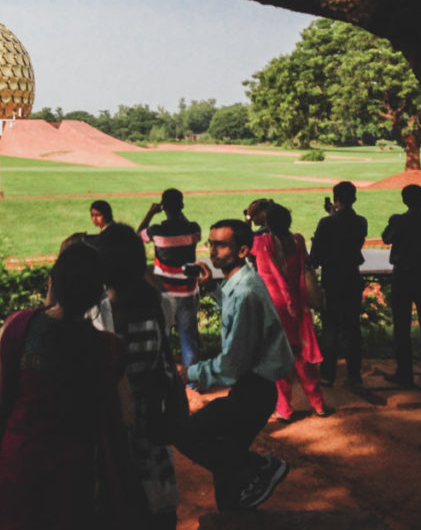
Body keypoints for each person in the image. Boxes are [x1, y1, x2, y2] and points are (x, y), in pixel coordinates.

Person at [0, 240, 138, 530]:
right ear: (97, 293)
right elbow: (125, 417)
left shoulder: (17, 326)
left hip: (17, 462)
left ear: (52, 282)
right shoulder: (110, 348)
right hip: (74, 472)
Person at [176, 220, 295, 511]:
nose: (212, 251)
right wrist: (213, 288)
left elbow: (231, 365)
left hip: (252, 391)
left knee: (188, 434)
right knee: (227, 463)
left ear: (242, 250)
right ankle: (236, 506)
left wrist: (187, 374)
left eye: (221, 245)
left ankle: (261, 467)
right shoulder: (242, 281)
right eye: (211, 243)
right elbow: (237, 317)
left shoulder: (245, 293)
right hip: (252, 389)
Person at [94, 224, 180, 529]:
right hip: (152, 421)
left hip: (111, 426)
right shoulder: (161, 305)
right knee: (155, 509)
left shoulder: (97, 314)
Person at [251, 203, 328, 421]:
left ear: (267, 223)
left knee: (278, 360)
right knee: (304, 360)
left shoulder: (260, 243)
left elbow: (244, 245)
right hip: (297, 308)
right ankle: (318, 404)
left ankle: (284, 409)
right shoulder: (298, 241)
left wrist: (249, 219)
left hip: (274, 309)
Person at [381, 184, 421, 387]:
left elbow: (386, 238)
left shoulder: (397, 220)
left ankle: (404, 373)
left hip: (403, 275)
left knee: (401, 325)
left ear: (404, 201)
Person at [137, 189, 202, 380]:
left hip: (163, 293)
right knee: (188, 339)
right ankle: (193, 381)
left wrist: (150, 213)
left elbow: (136, 236)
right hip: (187, 292)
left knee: (162, 338)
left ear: (163, 207)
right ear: (182, 205)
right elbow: (186, 229)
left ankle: (162, 379)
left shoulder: (156, 231)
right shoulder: (193, 229)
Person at [309, 181, 368, 386]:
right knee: (352, 326)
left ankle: (328, 374)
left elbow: (315, 255)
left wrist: (330, 218)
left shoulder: (326, 223)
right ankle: (354, 374)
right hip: (352, 277)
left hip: (332, 278)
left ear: (336, 198)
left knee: (330, 327)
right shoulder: (361, 222)